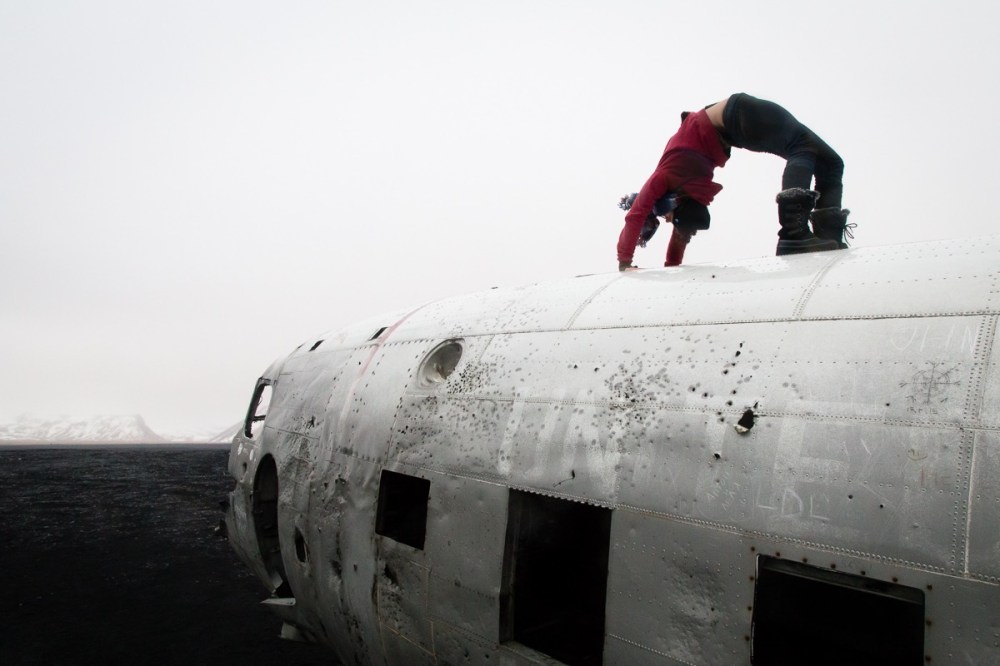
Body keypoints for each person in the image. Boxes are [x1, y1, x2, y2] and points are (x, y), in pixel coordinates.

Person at [617, 93, 850, 271]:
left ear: (666, 204)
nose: (668, 221)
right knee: (821, 157)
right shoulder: (694, 193)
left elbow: (636, 214)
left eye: (665, 216)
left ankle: (801, 235)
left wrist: (624, 263)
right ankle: (814, 236)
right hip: (738, 123)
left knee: (814, 154)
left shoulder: (665, 174)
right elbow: (681, 236)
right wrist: (671, 270)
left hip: (738, 113)